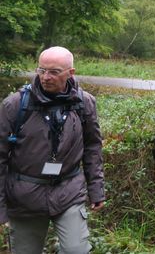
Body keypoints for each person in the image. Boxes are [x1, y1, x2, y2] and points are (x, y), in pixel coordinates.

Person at [0, 46, 105, 253]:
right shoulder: (16, 104)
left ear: (70, 73)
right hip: (24, 196)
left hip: (68, 190)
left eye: (54, 72)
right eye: (41, 70)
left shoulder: (84, 103)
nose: (45, 77)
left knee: (77, 250)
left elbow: (93, 146)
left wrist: (96, 189)